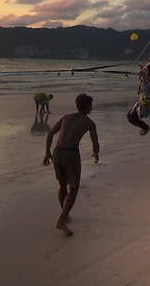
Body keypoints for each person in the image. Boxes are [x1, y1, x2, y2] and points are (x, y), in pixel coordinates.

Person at [43, 93, 100, 236]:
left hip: (57, 152)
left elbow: (50, 134)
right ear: (87, 106)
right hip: (71, 154)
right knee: (73, 188)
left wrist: (47, 152)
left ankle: (65, 214)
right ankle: (61, 220)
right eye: (91, 105)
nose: (91, 107)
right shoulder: (89, 123)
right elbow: (95, 143)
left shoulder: (66, 118)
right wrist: (96, 153)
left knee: (62, 185)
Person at [127, 62, 150, 135]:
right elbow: (141, 82)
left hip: (145, 105)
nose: (145, 72)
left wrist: (144, 77)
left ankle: (146, 128)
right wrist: (141, 71)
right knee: (129, 116)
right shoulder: (149, 79)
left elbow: (146, 90)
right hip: (140, 102)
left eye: (146, 70)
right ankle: (144, 127)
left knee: (132, 119)